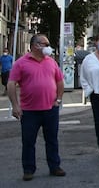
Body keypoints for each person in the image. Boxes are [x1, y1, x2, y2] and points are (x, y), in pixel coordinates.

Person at [7, 34, 66, 181]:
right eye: (45, 44)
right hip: (29, 111)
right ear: (35, 45)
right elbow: (11, 84)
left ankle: (55, 166)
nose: (48, 47)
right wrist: (15, 106)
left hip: (50, 109)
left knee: (52, 140)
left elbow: (59, 82)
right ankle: (28, 169)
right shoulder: (21, 63)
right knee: (28, 141)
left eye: (48, 44)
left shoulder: (51, 62)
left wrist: (58, 99)